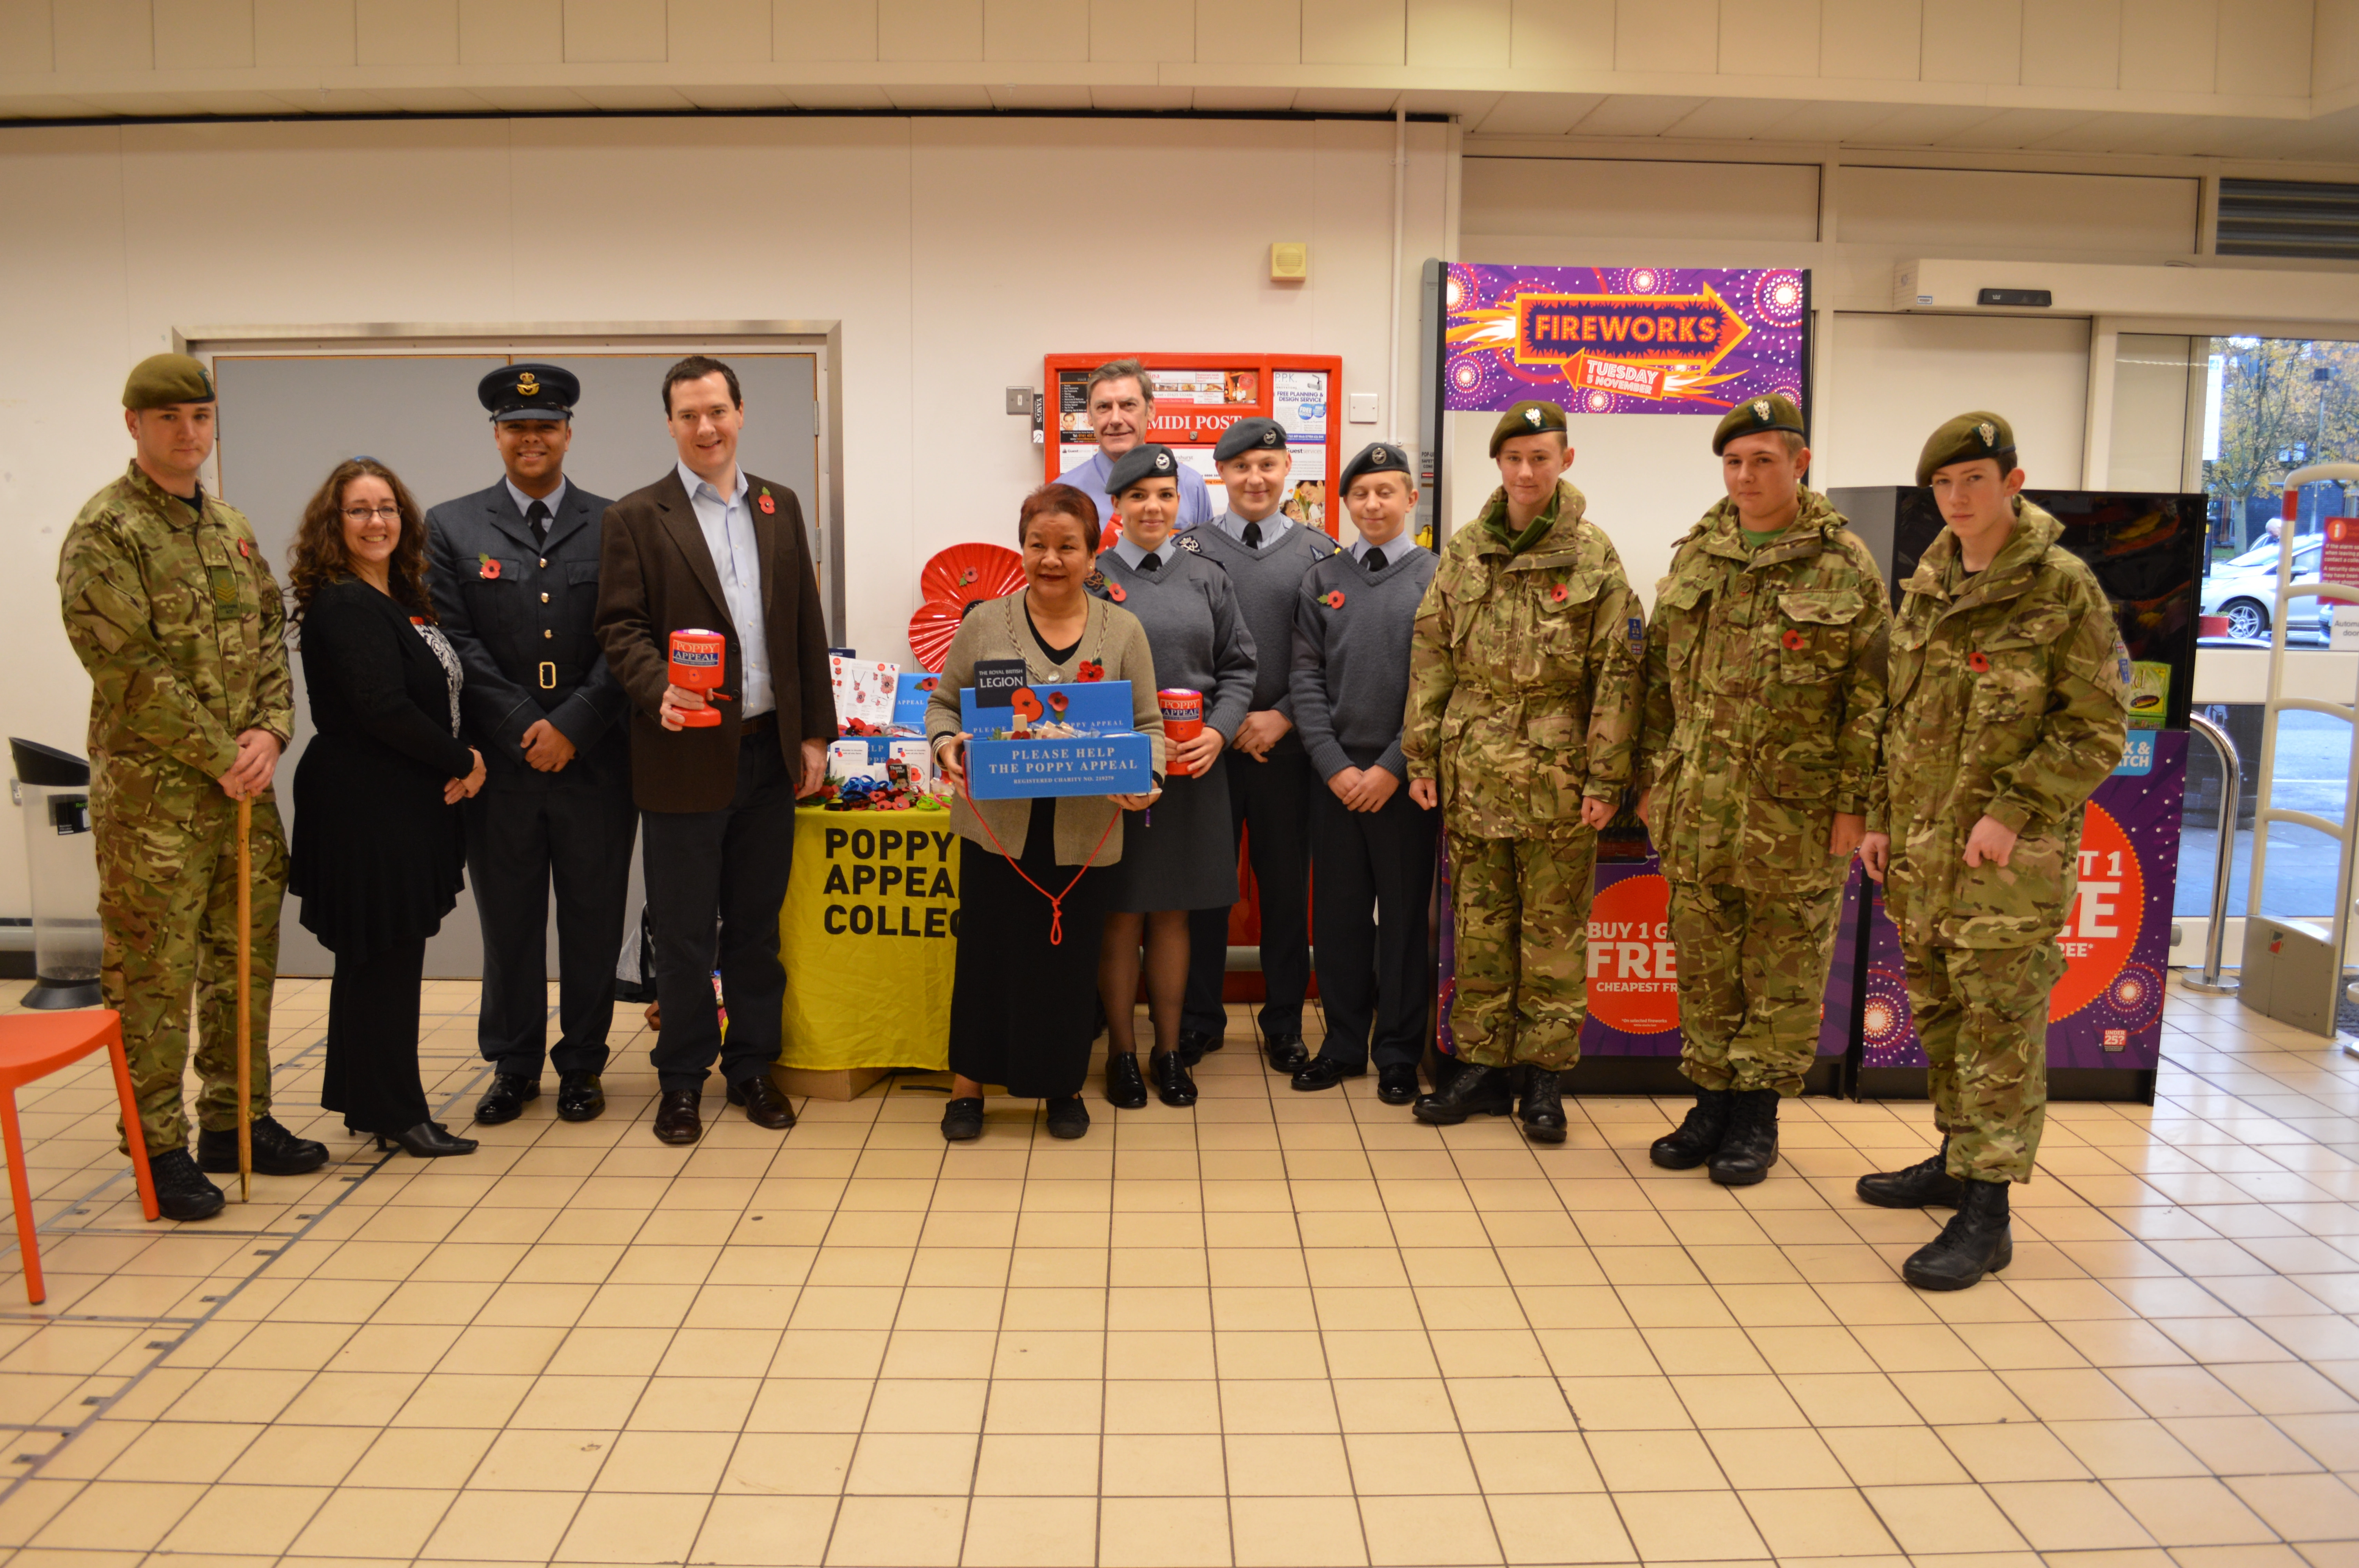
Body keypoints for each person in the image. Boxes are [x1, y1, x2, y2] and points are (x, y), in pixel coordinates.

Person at [1856, 412, 2127, 1290]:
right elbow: (1899, 719)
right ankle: (1954, 1157)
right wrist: (1876, 817)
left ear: (2012, 481)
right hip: (1923, 857)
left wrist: (2012, 811)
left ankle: (1988, 1213)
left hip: (2005, 867)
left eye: (1974, 479)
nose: (1957, 497)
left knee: (1998, 1033)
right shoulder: (1929, 581)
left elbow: (2095, 729)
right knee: (1940, 1016)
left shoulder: (2060, 586)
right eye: (1943, 484)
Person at [58, 354, 329, 1220]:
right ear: (133, 425)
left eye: (201, 416)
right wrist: (221, 751)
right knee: (153, 973)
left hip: (242, 796)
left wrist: (271, 733)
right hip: (157, 806)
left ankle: (235, 1117)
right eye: (170, 418)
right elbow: (125, 664)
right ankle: (158, 1143)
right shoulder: (109, 531)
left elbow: (268, 643)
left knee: (238, 963)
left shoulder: (231, 529)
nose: (190, 433)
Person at [1639, 396, 1891, 1185]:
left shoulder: (1842, 563)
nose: (1746, 476)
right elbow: (1655, 682)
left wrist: (1855, 802)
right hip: (1697, 804)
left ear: (1799, 463)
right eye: (1734, 462)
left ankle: (1757, 1114)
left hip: (1797, 810)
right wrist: (1651, 780)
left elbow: (1872, 697)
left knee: (1782, 968)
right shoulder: (1697, 556)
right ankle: (1708, 1099)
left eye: (1763, 461)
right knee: (1705, 960)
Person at [594, 355, 836, 1146]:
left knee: (756, 929)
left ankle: (753, 1067)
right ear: (670, 423)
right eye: (688, 414)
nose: (705, 427)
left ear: (740, 413)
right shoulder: (636, 516)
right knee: (687, 931)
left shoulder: (779, 504)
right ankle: (681, 1078)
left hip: (769, 751)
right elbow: (618, 626)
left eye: (717, 411)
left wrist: (814, 733)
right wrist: (657, 682)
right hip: (682, 754)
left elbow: (804, 623)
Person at [1403, 401, 1642, 1145]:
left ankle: (1543, 1077)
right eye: (1514, 459)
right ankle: (1476, 1067)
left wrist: (1607, 781)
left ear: (1564, 461)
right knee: (1479, 925)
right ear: (1498, 465)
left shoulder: (1594, 556)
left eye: (1541, 457)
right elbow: (1433, 654)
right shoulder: (1467, 548)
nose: (1527, 471)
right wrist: (1421, 753)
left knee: (1553, 933)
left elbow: (1617, 672)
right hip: (1474, 769)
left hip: (1559, 776)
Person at [425, 364, 630, 1129]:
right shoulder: (451, 525)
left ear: (568, 434)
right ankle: (512, 1064)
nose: (532, 437)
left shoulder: (616, 522)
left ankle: (581, 1063)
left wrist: (573, 723)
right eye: (517, 427)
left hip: (596, 762)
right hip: (502, 768)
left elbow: (625, 635)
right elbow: (454, 639)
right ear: (498, 436)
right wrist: (523, 726)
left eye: (546, 425)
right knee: (509, 922)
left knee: (591, 918)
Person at [928, 484, 1165, 1143]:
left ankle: (1061, 1085)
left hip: (1083, 833)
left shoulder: (1122, 630)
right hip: (994, 831)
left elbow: (1149, 725)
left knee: (1067, 963)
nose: (1051, 559)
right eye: (1038, 545)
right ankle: (968, 1087)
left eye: (1068, 547)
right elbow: (944, 704)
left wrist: (1147, 777)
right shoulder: (984, 623)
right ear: (1022, 548)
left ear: (1095, 555)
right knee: (984, 958)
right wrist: (948, 744)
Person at [286, 459, 486, 1158]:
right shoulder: (346, 604)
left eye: (388, 508)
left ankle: (365, 1099)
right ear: (332, 525)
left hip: (398, 800)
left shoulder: (395, 596)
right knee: (386, 959)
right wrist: (464, 761)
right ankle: (399, 1112)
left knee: (376, 958)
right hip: (367, 806)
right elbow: (382, 708)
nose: (377, 522)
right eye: (359, 510)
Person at [1090, 444, 1256, 1111]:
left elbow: (1241, 666)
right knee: (1118, 918)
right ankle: (1123, 1055)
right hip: (1113, 775)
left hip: (1193, 771)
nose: (1153, 508)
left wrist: (1219, 729)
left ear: (1180, 503)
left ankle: (1169, 1051)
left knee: (1174, 917)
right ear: (1117, 507)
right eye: (1138, 497)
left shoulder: (1207, 577)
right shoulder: (1092, 576)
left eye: (1165, 495)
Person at [1178, 417, 1335, 1072]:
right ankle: (1197, 1020)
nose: (1254, 478)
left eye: (1267, 466)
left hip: (1286, 750)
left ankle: (1284, 1025)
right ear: (1221, 474)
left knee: (1282, 891)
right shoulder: (1188, 550)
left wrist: (1284, 718)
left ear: (1286, 470)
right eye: (1240, 467)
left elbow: (1332, 659)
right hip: (1208, 751)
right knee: (1206, 891)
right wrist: (1221, 722)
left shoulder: (1322, 553)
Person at [1289, 442, 1439, 1107]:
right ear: (1345, 504)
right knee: (1342, 920)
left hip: (1407, 785)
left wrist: (1389, 768)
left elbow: (1443, 686)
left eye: (1387, 492)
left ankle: (1398, 1052)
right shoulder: (1323, 579)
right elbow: (1305, 680)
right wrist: (1334, 767)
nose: (1373, 504)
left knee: (1405, 920)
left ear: (1411, 499)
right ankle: (1343, 1044)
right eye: (1361, 494)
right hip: (1335, 782)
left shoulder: (1439, 577)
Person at [1056, 359, 1214, 534]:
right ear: (1090, 415)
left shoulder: (1190, 486)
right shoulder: (1062, 494)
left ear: (1151, 409)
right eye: (1104, 407)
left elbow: (1206, 558)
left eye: (1128, 405)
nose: (1116, 419)